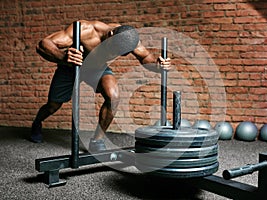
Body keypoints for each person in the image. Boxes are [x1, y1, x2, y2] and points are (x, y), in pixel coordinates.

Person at [32, 20, 172, 153]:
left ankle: (97, 140)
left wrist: (158, 66)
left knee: (114, 97)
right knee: (53, 106)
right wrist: (63, 57)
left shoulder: (128, 37)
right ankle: (37, 123)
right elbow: (43, 44)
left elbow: (145, 57)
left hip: (96, 68)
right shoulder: (86, 30)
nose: (114, 55)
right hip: (70, 67)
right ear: (110, 35)